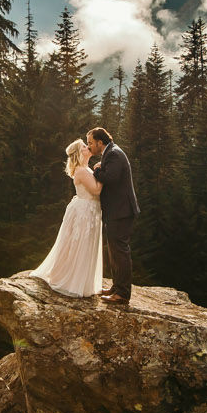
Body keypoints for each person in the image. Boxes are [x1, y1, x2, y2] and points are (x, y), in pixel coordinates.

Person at [29, 139, 105, 297]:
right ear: (79, 153)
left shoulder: (85, 169)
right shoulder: (82, 171)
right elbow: (97, 191)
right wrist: (103, 173)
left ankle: (81, 281)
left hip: (89, 209)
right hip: (86, 211)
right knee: (80, 244)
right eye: (84, 146)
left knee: (82, 244)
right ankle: (73, 280)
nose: (88, 147)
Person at [86, 125, 138, 304]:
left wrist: (97, 170)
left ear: (101, 142)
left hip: (121, 211)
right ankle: (117, 287)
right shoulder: (111, 152)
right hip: (118, 210)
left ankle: (122, 293)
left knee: (120, 251)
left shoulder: (114, 154)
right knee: (115, 252)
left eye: (91, 143)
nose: (89, 146)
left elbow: (111, 178)